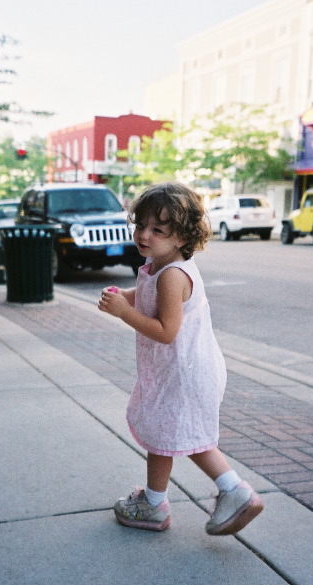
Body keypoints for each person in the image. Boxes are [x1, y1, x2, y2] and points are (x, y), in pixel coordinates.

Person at [98, 182, 263, 535]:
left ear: (182, 237)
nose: (144, 234)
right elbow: (145, 294)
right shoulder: (158, 265)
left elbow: (165, 330)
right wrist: (125, 296)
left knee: (189, 439)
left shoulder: (172, 276)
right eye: (140, 224)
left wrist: (123, 314)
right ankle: (155, 502)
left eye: (157, 229)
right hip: (175, 372)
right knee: (163, 434)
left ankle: (234, 491)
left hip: (183, 374)